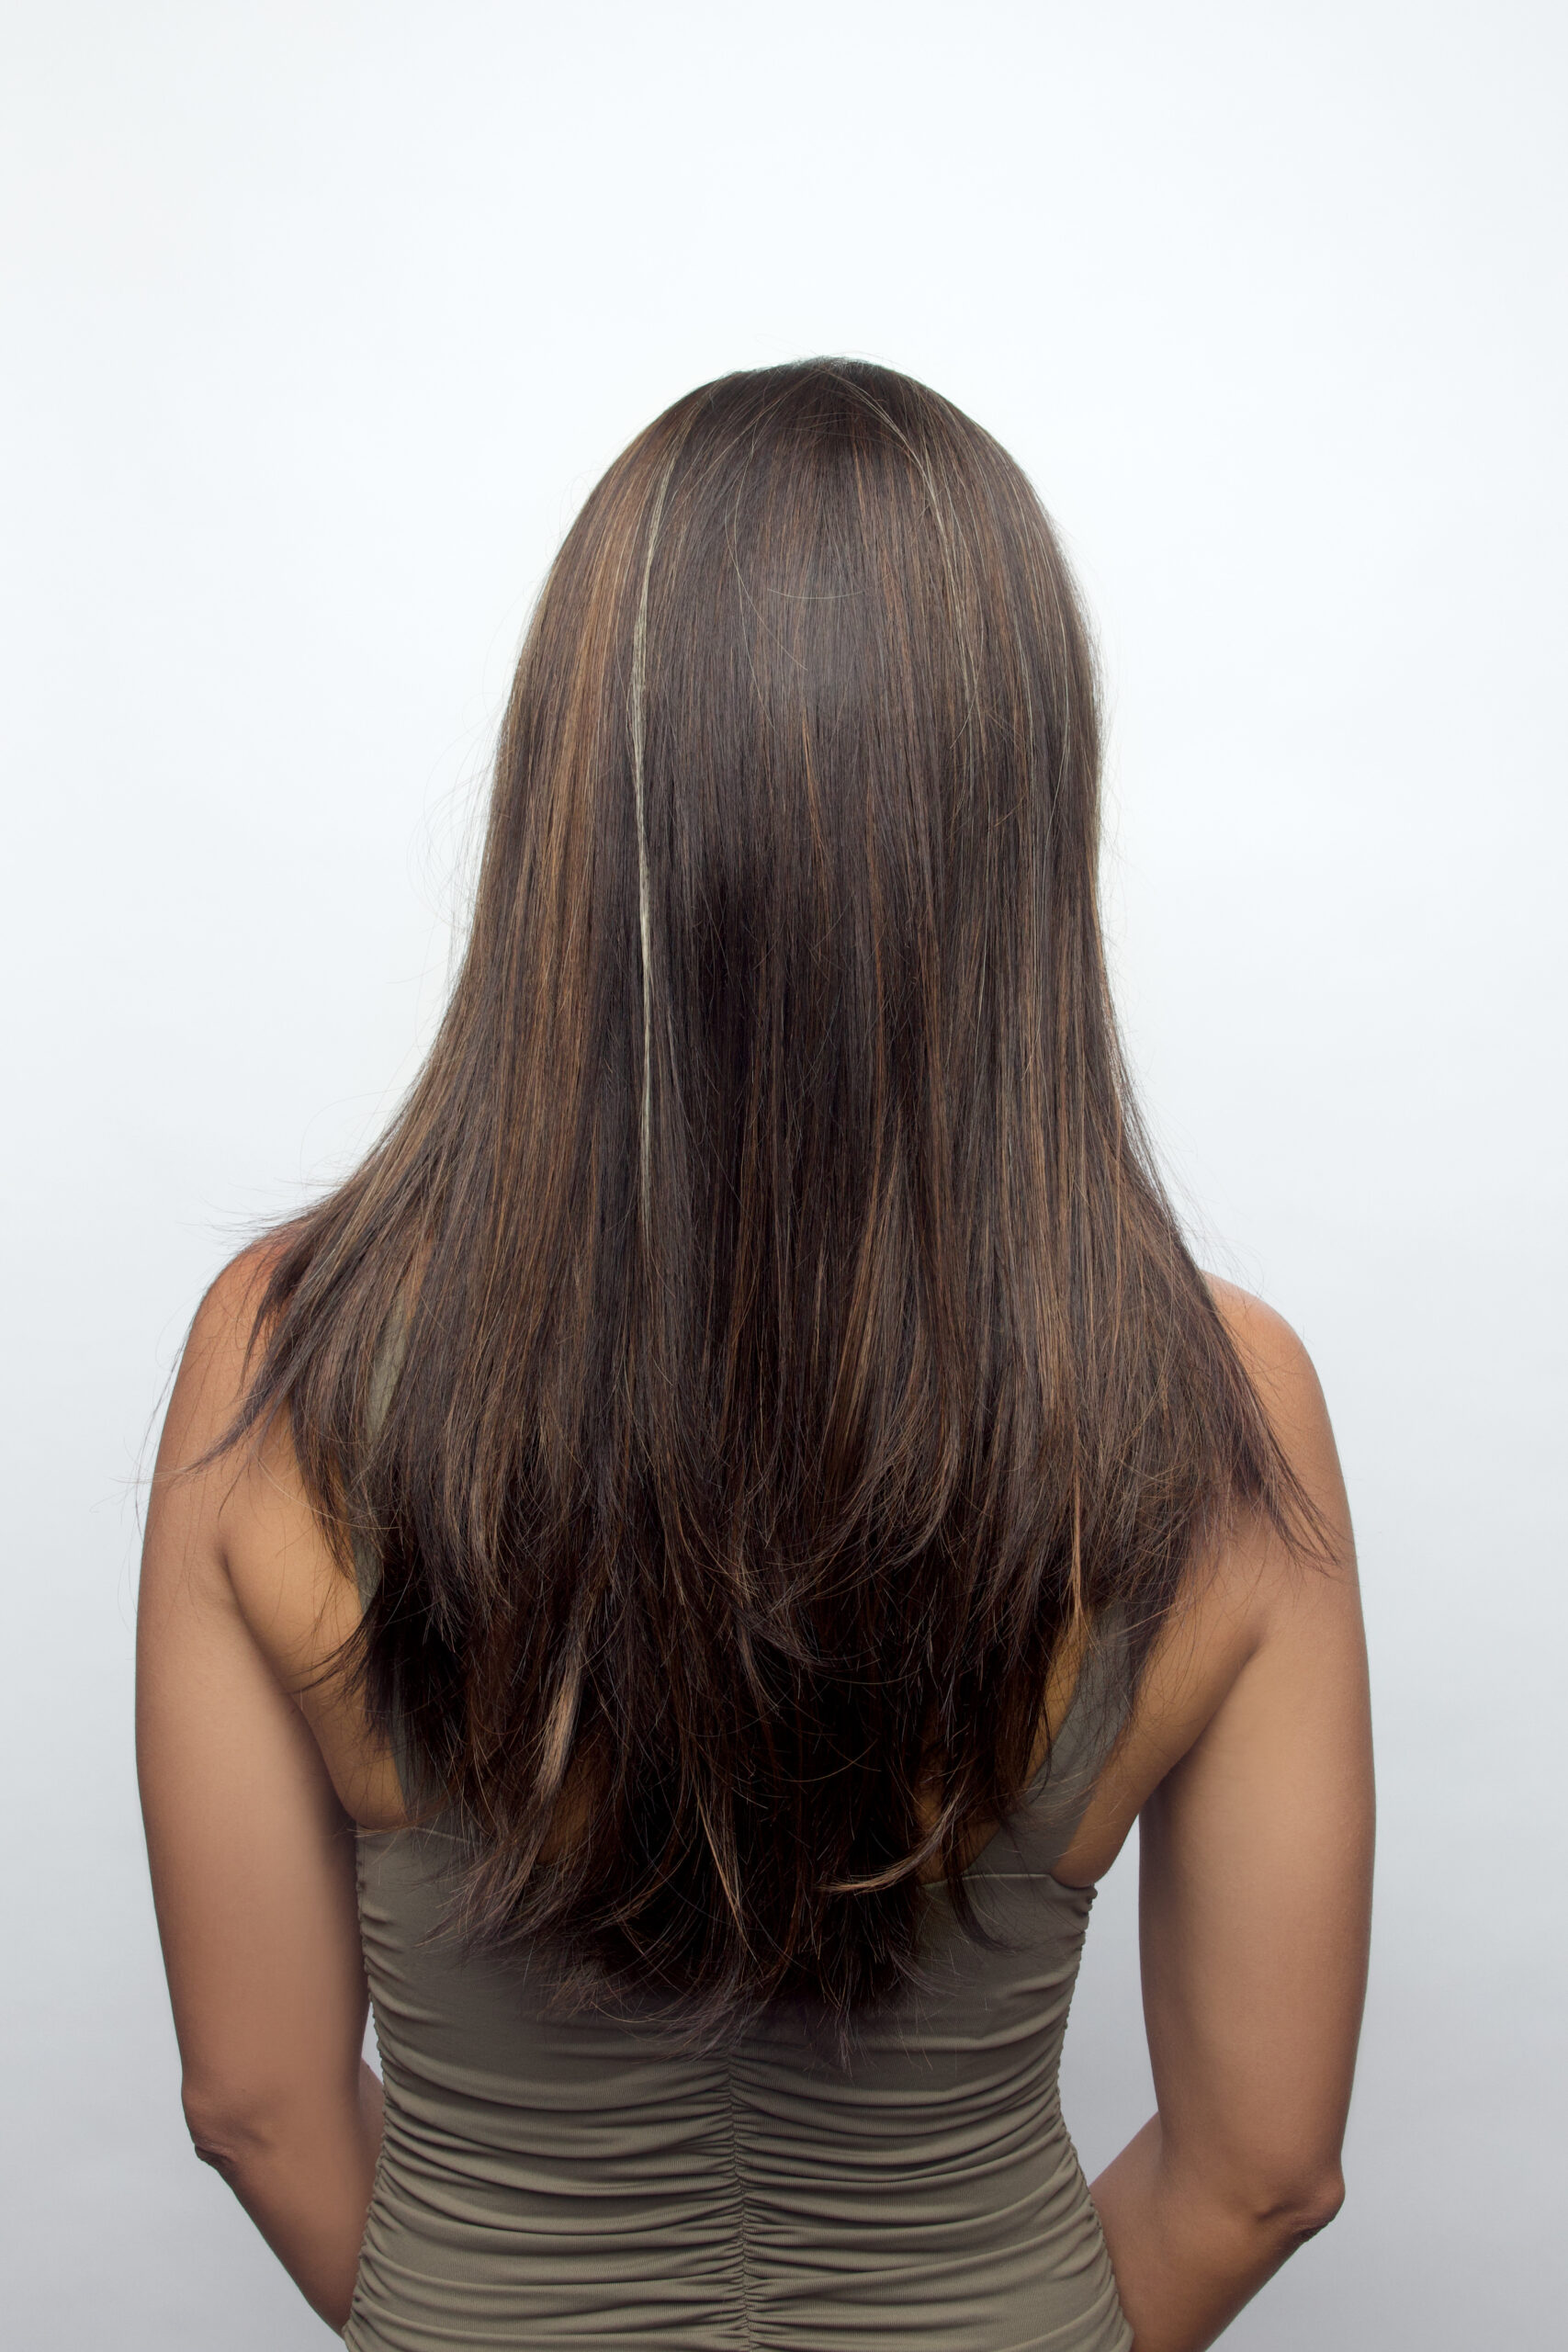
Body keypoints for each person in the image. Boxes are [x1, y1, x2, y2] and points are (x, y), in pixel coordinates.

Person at [137, 359, 1373, 2352]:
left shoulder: (288, 1360)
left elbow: (256, 2102)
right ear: (1017, 812)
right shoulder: (1219, 1406)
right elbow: (1259, 2170)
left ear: (575, 785)